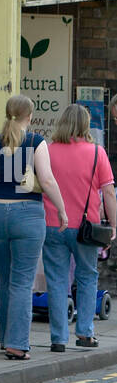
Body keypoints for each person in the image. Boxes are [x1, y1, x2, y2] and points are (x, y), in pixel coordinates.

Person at [0, 94, 68, 359]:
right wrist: (62, 210)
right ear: (29, 116)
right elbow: (47, 179)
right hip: (27, 215)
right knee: (22, 282)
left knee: (6, 280)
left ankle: (5, 338)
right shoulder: (35, 142)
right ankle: (17, 344)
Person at [42, 104, 116, 352]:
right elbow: (108, 192)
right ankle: (85, 333)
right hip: (87, 228)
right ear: (85, 125)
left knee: (56, 280)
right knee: (87, 277)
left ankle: (58, 338)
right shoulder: (97, 153)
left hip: (52, 225)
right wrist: (113, 225)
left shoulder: (48, 151)